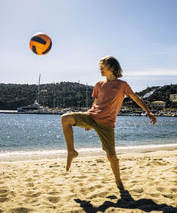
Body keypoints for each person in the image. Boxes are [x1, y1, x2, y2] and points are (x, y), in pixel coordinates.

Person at [61, 56, 157, 190]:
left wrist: (148, 111)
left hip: (106, 124)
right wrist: (88, 121)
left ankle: (118, 181)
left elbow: (136, 98)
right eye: (99, 66)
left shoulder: (122, 85)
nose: (100, 69)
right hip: (92, 117)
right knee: (65, 118)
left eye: (102, 66)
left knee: (111, 156)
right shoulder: (99, 84)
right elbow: (95, 103)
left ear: (111, 68)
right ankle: (71, 151)